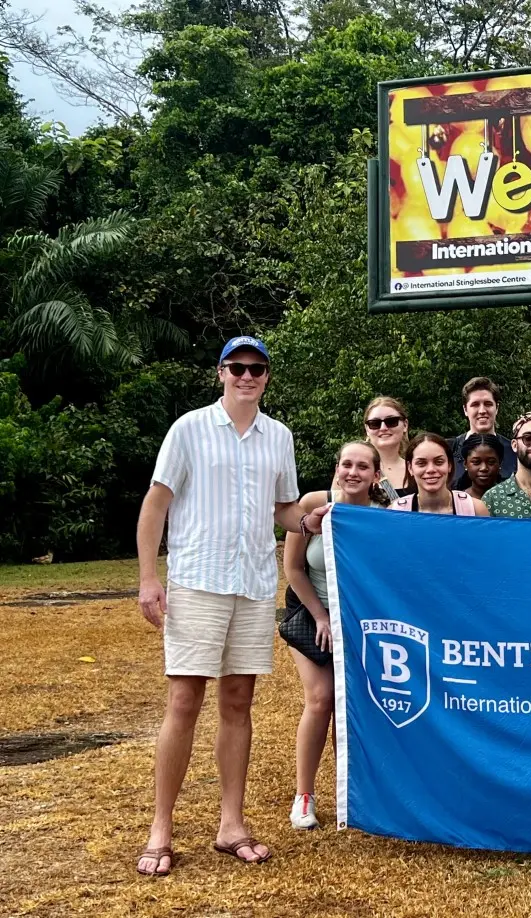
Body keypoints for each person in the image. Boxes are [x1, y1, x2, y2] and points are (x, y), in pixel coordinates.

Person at [134, 336, 329, 877]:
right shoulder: (189, 428)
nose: (247, 376)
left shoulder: (279, 437)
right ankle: (161, 829)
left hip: (251, 584)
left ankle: (231, 824)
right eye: (238, 367)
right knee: (184, 700)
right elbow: (156, 505)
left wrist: (316, 519)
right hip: (198, 580)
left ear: (267, 376)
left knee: (239, 699)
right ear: (221, 372)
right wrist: (150, 578)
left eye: (257, 368)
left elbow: (286, 512)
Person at [282, 441, 385, 830]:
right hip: (311, 615)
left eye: (363, 466)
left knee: (353, 706)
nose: (353, 472)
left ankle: (350, 792)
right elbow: (293, 569)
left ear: (376, 475)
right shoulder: (313, 503)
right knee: (321, 698)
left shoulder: (383, 517)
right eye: (346, 464)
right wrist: (321, 616)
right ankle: (304, 795)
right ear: (337, 468)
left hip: (359, 621)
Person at [392, 433, 490, 515]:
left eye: (438, 462)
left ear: (449, 465)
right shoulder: (396, 512)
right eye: (421, 463)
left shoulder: (475, 509)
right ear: (410, 468)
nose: (431, 469)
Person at [449, 377, 517, 487]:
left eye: (488, 404)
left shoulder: (514, 452)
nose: (482, 411)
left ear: (497, 408)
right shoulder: (449, 451)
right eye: (475, 404)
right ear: (465, 410)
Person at [364, 396, 412, 498]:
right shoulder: (351, 469)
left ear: (405, 425)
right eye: (375, 423)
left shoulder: (418, 469)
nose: (383, 428)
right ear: (367, 429)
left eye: (391, 421)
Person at [457, 433, 506, 500]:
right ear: (465, 464)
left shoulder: (511, 501)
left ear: (500, 463)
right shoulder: (456, 501)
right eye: (476, 462)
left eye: (491, 462)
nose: (484, 468)